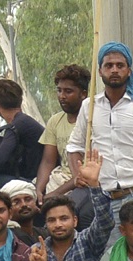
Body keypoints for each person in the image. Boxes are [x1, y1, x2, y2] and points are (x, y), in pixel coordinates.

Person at [65, 41, 133, 243]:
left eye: (120, 65)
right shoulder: (89, 107)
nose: (114, 70)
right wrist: (77, 175)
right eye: (109, 65)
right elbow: (74, 146)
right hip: (106, 199)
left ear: (129, 70)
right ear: (100, 71)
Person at [35, 64, 92, 223]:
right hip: (60, 180)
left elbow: (81, 177)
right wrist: (39, 191)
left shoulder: (92, 121)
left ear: (83, 94)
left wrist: (54, 194)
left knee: (69, 212)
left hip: (83, 184)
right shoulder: (55, 121)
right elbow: (48, 161)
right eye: (59, 90)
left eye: (68, 91)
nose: (62, 96)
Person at [0, 78, 44, 196]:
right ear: (20, 100)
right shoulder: (24, 122)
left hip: (33, 182)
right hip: (38, 179)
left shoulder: (15, 127)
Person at [1, 180, 48, 244]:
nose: (24, 204)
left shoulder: (43, 233)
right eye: (16, 202)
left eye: (28, 199)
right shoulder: (8, 237)